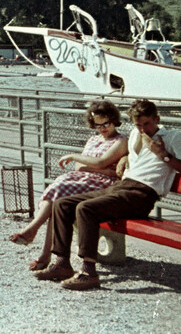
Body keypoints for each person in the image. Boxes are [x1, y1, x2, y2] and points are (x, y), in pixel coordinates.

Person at [34, 99, 181, 290]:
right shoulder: (136, 133)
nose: (143, 128)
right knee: (62, 204)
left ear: (157, 119)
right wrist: (126, 158)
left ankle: (89, 272)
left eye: (147, 123)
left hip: (143, 194)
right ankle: (62, 263)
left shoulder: (172, 137)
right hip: (122, 186)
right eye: (138, 124)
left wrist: (164, 155)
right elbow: (138, 156)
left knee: (86, 209)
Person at [9, 100, 128, 271]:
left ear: (114, 120)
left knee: (61, 189)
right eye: (97, 124)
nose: (102, 128)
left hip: (102, 184)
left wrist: (76, 157)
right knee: (58, 196)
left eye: (106, 123)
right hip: (85, 179)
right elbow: (83, 167)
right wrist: (96, 166)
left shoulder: (120, 141)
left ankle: (34, 233)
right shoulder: (94, 139)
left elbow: (102, 161)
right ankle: (42, 248)